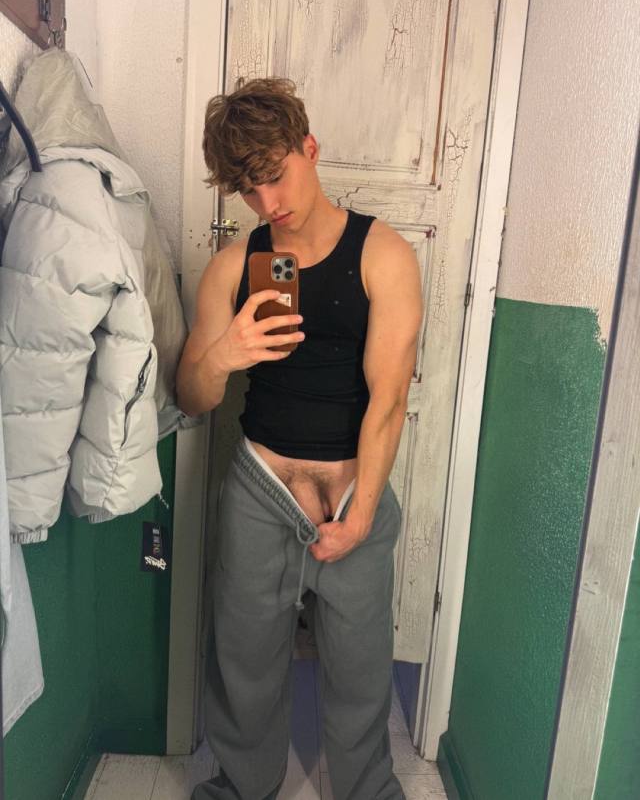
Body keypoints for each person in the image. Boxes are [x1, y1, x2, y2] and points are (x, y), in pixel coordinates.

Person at [177, 77, 423, 800]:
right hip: (260, 487)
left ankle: (368, 789)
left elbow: (390, 398)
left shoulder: (383, 254)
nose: (267, 203)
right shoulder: (234, 266)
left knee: (360, 666)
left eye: (275, 175)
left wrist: (363, 512)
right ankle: (242, 785)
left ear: (309, 148)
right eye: (248, 190)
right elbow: (191, 395)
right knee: (245, 659)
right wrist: (225, 354)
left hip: (352, 491)